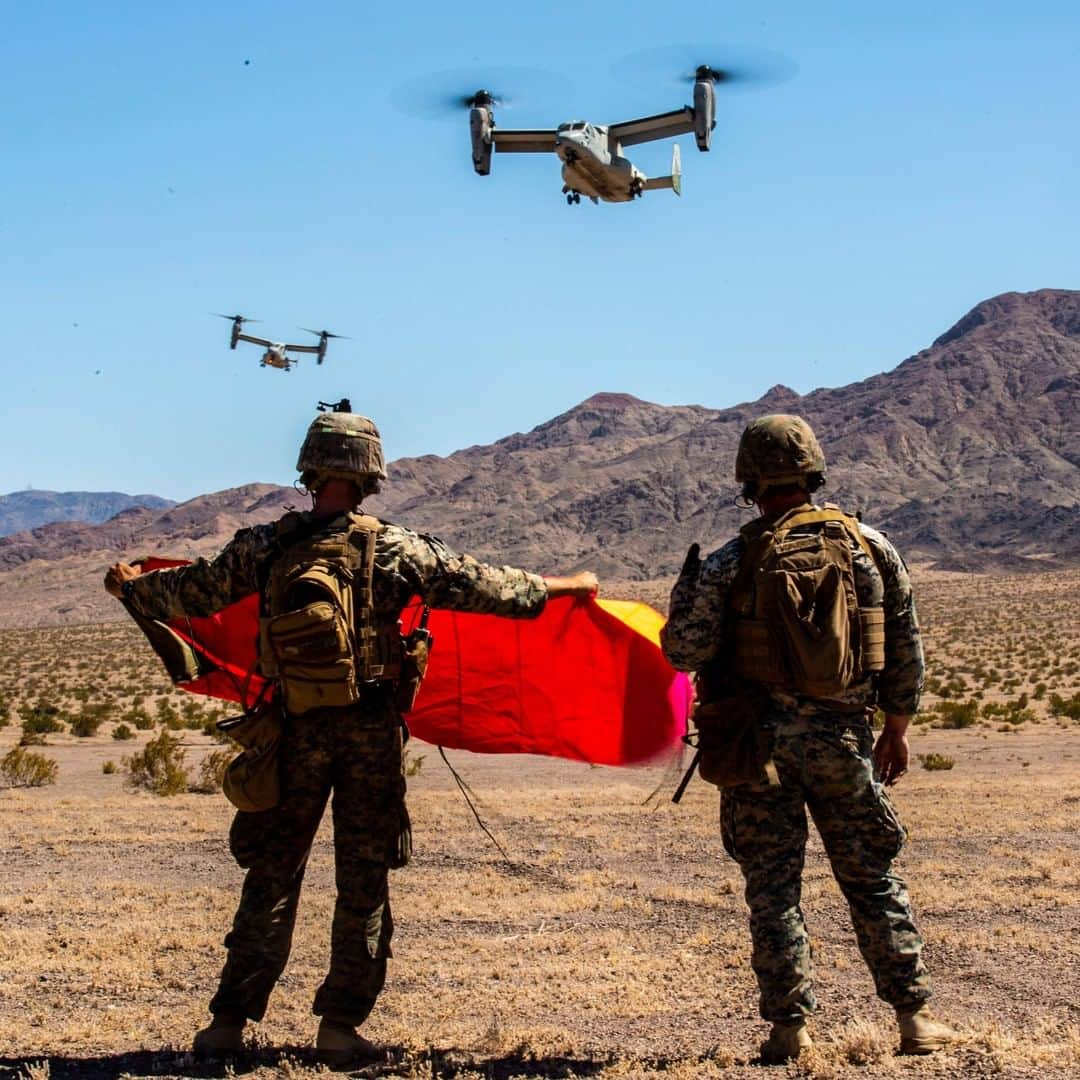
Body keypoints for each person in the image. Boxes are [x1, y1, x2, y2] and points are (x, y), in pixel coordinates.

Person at [104, 404, 598, 1065]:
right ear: (371, 477)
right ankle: (339, 1027)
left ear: (310, 469)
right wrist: (568, 588)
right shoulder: (395, 549)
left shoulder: (264, 545)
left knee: (273, 874)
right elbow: (487, 588)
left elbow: (190, 594)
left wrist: (133, 588)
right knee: (362, 880)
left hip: (291, 730)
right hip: (368, 732)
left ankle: (226, 1024)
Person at [661, 414, 956, 1064]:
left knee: (773, 889)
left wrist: (683, 596)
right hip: (845, 746)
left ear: (749, 480)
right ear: (814, 470)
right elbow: (904, 647)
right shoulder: (870, 549)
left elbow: (683, 652)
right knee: (873, 879)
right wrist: (898, 728)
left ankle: (791, 1031)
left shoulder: (732, 561)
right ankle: (915, 1020)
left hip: (756, 752)